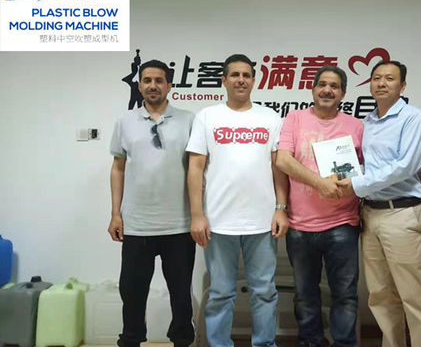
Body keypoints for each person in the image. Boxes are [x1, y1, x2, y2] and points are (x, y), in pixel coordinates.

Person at [338, 60, 421, 347]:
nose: (381, 83)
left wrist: (355, 184)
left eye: (389, 78)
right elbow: (367, 165)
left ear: (403, 85)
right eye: (376, 78)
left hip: (402, 213)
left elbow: (405, 166)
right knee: (381, 295)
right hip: (370, 214)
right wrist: (343, 176)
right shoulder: (368, 122)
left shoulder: (414, 118)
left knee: (415, 296)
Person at [186, 54, 289, 347]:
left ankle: (264, 344)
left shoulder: (270, 118)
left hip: (262, 221)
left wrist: (281, 208)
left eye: (246, 75)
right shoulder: (207, 116)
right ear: (224, 80)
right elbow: (195, 168)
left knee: (264, 291)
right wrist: (197, 214)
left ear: (254, 81)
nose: (240, 80)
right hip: (218, 222)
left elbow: (278, 168)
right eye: (234, 75)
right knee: (220, 293)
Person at [108, 59, 196, 347]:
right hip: (137, 224)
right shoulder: (125, 122)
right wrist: (116, 214)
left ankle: (182, 340)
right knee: (132, 293)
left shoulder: (189, 120)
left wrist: (199, 214)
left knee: (181, 295)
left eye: (159, 80)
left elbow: (197, 169)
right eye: (147, 80)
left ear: (169, 85)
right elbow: (118, 168)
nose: (153, 86)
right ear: (139, 85)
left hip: (179, 224)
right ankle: (131, 340)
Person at [275, 66, 363, 347]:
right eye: (322, 84)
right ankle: (310, 342)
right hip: (300, 226)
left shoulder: (356, 126)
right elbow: (283, 161)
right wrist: (320, 183)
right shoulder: (295, 118)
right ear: (313, 89)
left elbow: (368, 168)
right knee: (304, 295)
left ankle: (344, 344)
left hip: (343, 223)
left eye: (334, 86)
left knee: (345, 295)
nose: (327, 90)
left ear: (343, 93)